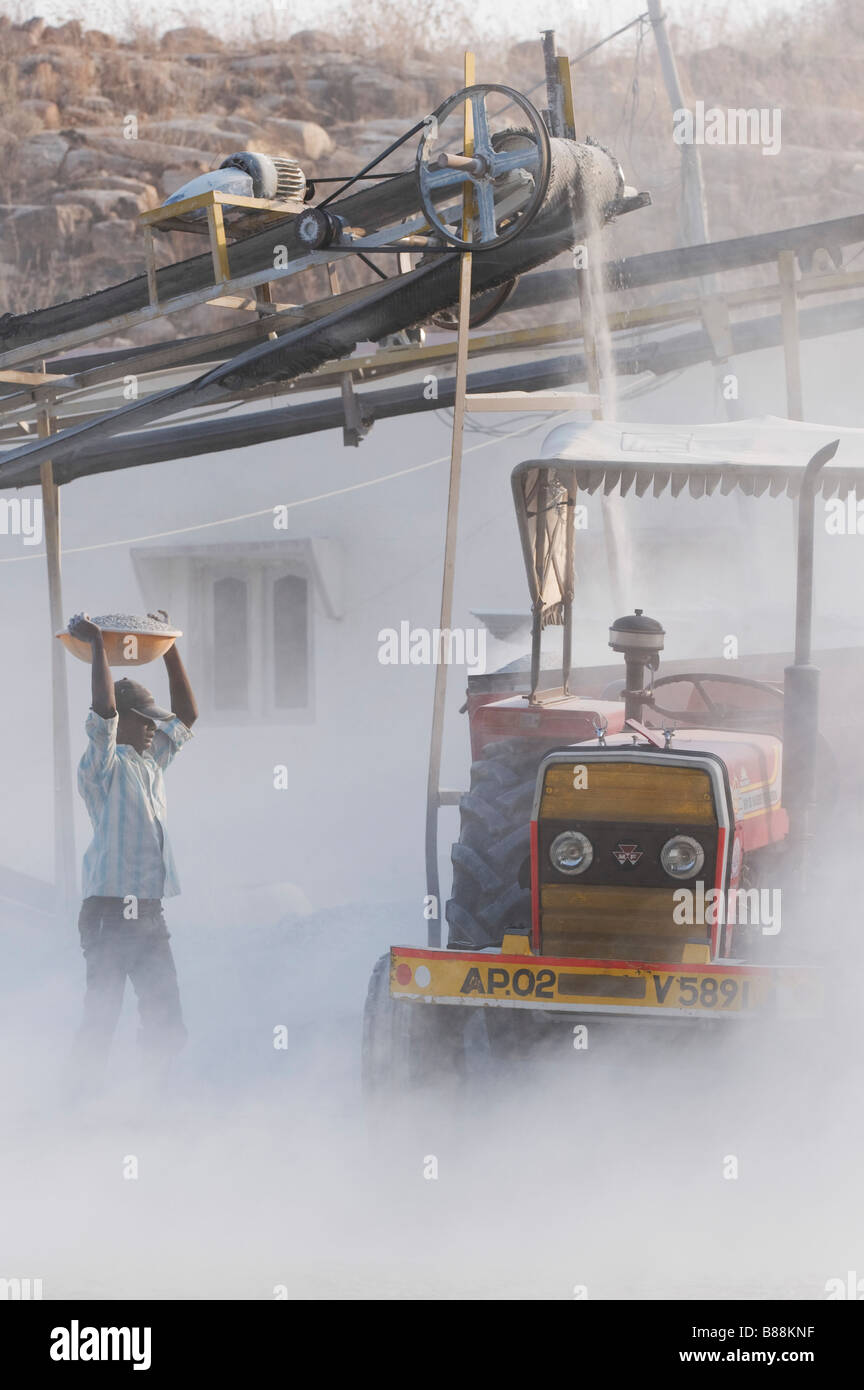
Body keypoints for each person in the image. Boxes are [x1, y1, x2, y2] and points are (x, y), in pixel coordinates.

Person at [68, 612, 198, 1082]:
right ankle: (74, 1106)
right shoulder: (101, 768)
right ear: (122, 723)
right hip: (106, 913)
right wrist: (100, 645)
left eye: (152, 723)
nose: (153, 729)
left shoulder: (150, 764)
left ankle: (151, 1103)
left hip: (148, 912)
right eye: (144, 721)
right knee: (101, 1019)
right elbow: (102, 713)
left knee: (167, 1020)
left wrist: (168, 646)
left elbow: (186, 717)